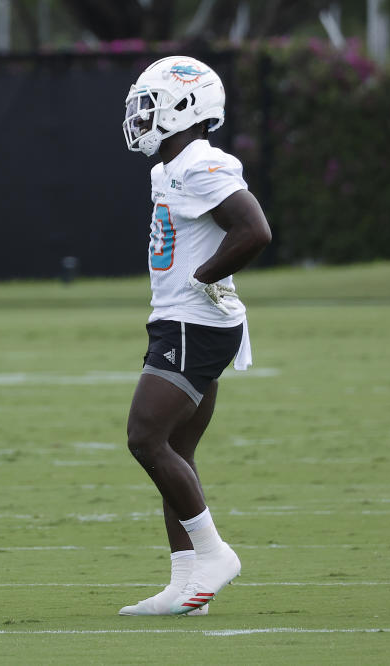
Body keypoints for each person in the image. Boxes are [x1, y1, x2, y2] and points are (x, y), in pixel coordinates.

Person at [117, 56, 272, 616]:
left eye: (149, 105)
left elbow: (254, 229)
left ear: (186, 108)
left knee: (145, 438)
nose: (140, 116)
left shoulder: (201, 164)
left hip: (195, 324)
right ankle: (187, 584)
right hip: (182, 320)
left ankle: (213, 554)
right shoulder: (168, 167)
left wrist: (206, 277)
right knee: (176, 448)